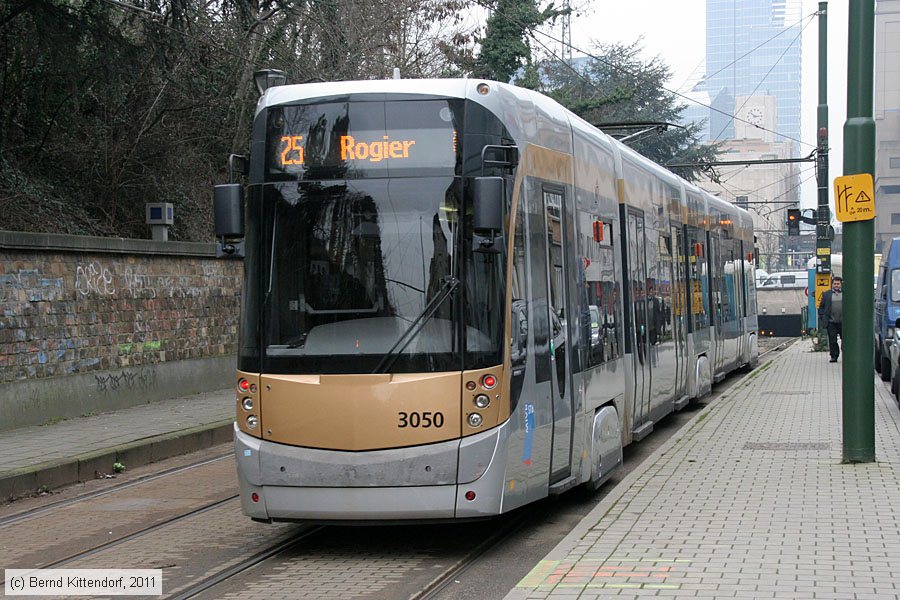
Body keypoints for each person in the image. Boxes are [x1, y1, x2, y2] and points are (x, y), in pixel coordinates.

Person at [818, 277, 843, 362]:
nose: (836, 285)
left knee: (846, 340)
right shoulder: (826, 294)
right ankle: (834, 356)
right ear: (832, 284)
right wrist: (822, 317)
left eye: (838, 284)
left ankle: (846, 354)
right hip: (831, 321)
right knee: (832, 340)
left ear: (841, 284)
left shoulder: (846, 293)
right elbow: (821, 307)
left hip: (843, 322)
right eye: (835, 283)